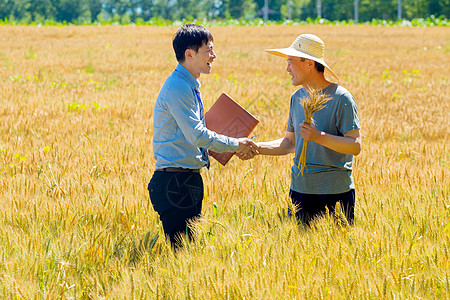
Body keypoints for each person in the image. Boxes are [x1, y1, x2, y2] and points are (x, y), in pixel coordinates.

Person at [148, 24, 257, 246]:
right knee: (182, 254)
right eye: (208, 50)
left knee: (187, 252)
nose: (214, 56)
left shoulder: (188, 85)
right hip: (176, 183)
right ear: (189, 54)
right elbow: (197, 135)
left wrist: (229, 146)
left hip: (184, 180)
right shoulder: (179, 87)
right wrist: (235, 144)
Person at [240, 34, 361, 226]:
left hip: (335, 194)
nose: (287, 68)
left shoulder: (341, 98)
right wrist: (256, 147)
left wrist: (318, 136)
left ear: (309, 64)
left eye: (290, 62)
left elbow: (355, 146)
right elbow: (290, 143)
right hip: (300, 192)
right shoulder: (296, 97)